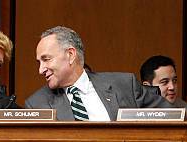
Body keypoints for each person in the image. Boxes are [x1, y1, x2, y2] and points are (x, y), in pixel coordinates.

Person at [26, 26, 171, 121]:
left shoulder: (125, 85)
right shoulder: (37, 104)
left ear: (70, 55)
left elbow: (173, 117)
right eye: (39, 62)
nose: (41, 69)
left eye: (46, 59)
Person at [140, 55, 187, 121]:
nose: (172, 87)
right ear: (147, 86)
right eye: (165, 82)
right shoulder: (135, 113)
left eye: (174, 81)